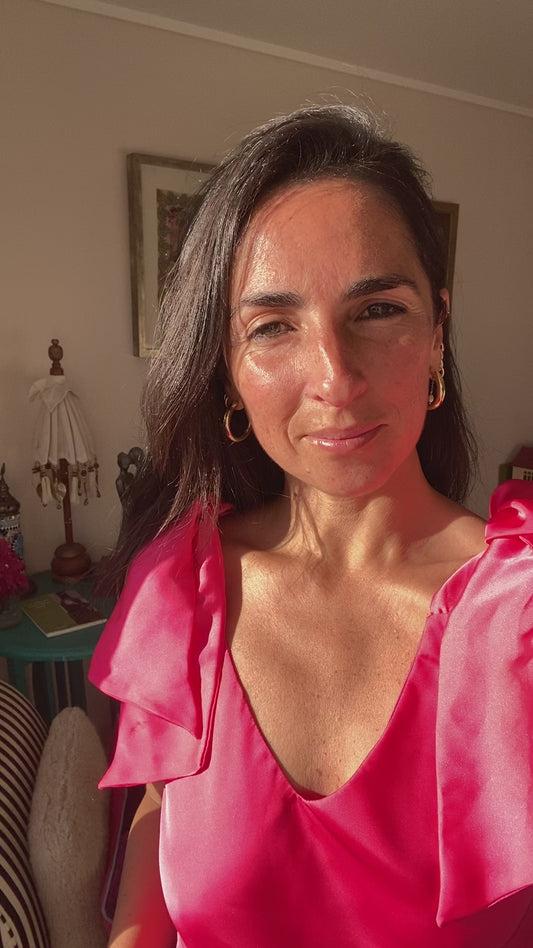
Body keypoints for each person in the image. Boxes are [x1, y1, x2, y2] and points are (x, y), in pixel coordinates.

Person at [90, 104, 533, 947]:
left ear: (435, 334)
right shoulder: (180, 592)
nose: (334, 378)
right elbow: (156, 829)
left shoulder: (518, 616)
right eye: (272, 326)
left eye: (377, 310)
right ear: (227, 372)